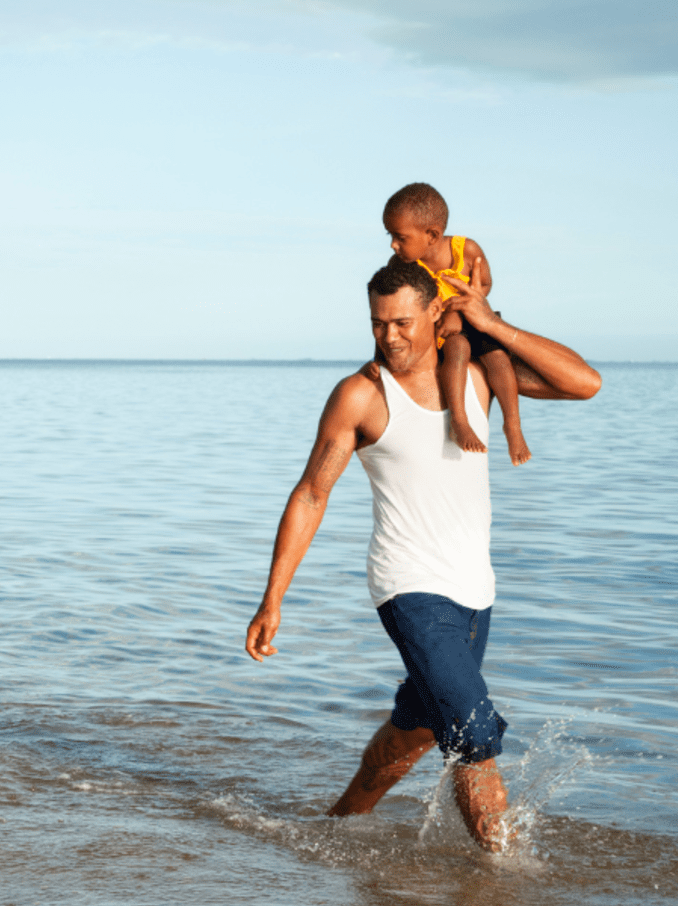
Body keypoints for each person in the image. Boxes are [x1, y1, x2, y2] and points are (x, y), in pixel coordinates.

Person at [244, 260, 600, 851]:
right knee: (472, 728)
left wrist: (495, 326)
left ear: (436, 313)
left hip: (475, 589)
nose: (390, 338)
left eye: (403, 323)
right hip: (407, 585)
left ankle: (337, 825)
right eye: (378, 324)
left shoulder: (481, 373)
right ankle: (502, 876)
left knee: (415, 729)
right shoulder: (362, 394)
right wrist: (272, 599)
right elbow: (311, 493)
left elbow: (583, 383)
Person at [381, 183, 531, 465]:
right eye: (390, 236)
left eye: (400, 237)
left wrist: (460, 311)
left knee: (499, 359)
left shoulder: (466, 249)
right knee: (457, 350)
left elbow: (485, 283)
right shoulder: (403, 266)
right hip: (446, 330)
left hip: (474, 317)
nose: (393, 244)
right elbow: (392, 312)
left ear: (432, 235)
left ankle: (513, 425)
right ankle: (459, 421)